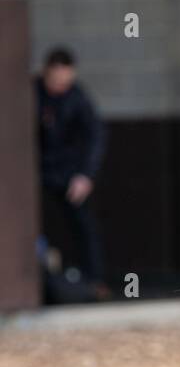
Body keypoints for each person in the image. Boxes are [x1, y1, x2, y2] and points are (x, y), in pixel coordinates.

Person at [35, 46, 109, 299]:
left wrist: (85, 175)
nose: (61, 86)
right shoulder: (31, 93)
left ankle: (95, 282)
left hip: (68, 172)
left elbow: (95, 135)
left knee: (84, 226)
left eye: (66, 81)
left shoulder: (77, 97)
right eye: (56, 81)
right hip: (36, 172)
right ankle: (41, 280)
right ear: (46, 73)